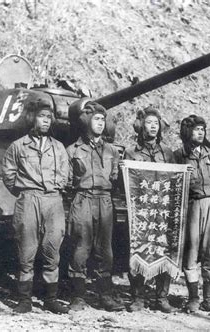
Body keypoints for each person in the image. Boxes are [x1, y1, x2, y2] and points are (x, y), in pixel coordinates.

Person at [2, 99, 69, 314]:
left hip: (53, 200)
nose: (46, 121)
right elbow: (9, 175)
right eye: (42, 117)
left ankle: (51, 298)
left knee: (52, 250)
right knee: (26, 250)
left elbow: (65, 174)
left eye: (49, 118)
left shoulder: (58, 147)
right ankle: (24, 300)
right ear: (32, 119)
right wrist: (25, 191)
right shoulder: (18, 146)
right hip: (28, 199)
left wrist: (54, 189)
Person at [66, 102, 124, 312]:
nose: (100, 123)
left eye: (102, 120)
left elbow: (115, 176)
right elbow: (67, 179)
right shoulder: (72, 150)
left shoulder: (112, 151)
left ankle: (105, 295)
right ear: (87, 122)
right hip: (83, 199)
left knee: (105, 250)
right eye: (96, 119)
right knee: (81, 248)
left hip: (105, 200)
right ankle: (78, 296)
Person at [123, 106, 175, 313]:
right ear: (141, 126)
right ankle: (138, 297)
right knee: (138, 249)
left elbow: (175, 181)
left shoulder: (168, 153)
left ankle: (161, 297)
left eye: (156, 123)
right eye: (148, 123)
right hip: (141, 211)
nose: (153, 127)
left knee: (165, 250)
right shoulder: (130, 152)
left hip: (162, 210)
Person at [174, 115, 210, 313]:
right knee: (191, 252)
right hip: (191, 205)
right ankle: (193, 297)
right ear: (187, 132)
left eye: (202, 129)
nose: (200, 133)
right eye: (196, 129)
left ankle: (209, 298)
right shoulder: (179, 155)